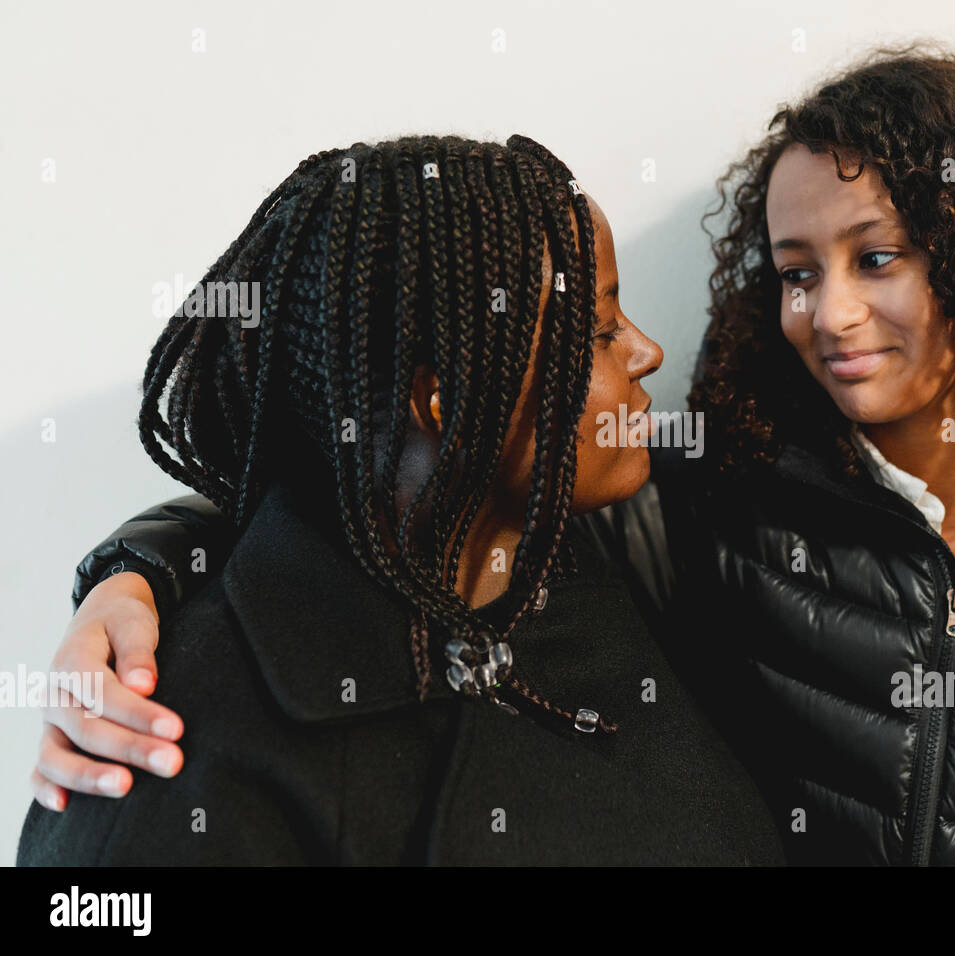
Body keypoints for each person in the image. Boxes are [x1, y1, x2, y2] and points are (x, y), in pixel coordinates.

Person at [29, 48, 955, 866]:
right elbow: (379, 497)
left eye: (878, 255)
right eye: (796, 273)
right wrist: (137, 571)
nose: (831, 315)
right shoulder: (714, 518)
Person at [17, 133, 785, 865]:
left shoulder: (575, 556)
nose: (648, 352)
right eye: (598, 329)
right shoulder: (170, 763)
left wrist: (137, 561)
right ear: (446, 402)